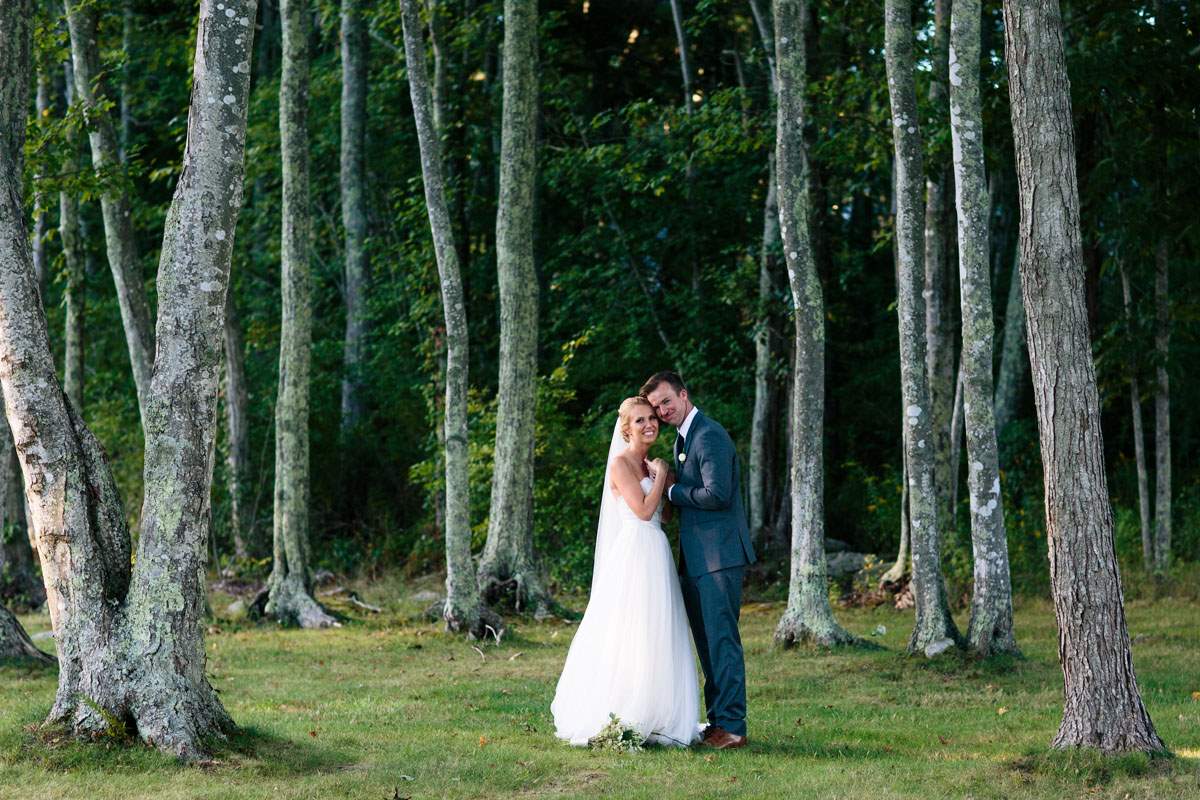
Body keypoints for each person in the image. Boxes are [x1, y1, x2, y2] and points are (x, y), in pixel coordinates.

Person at [550, 396, 701, 747]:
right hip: (634, 553)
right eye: (640, 420)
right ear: (626, 428)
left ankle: (657, 712)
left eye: (652, 418)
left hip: (656, 551)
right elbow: (643, 512)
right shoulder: (620, 464)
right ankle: (622, 708)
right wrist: (663, 475)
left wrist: (658, 478)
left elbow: (662, 516)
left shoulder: (647, 464)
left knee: (658, 630)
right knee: (631, 630)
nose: (649, 424)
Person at [643, 371, 756, 750]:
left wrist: (671, 489)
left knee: (722, 641)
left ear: (683, 394)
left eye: (666, 401)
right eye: (657, 406)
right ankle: (719, 721)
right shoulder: (683, 438)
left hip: (719, 557)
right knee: (708, 644)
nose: (662, 410)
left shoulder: (709, 435)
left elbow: (718, 494)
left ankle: (734, 727)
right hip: (696, 560)